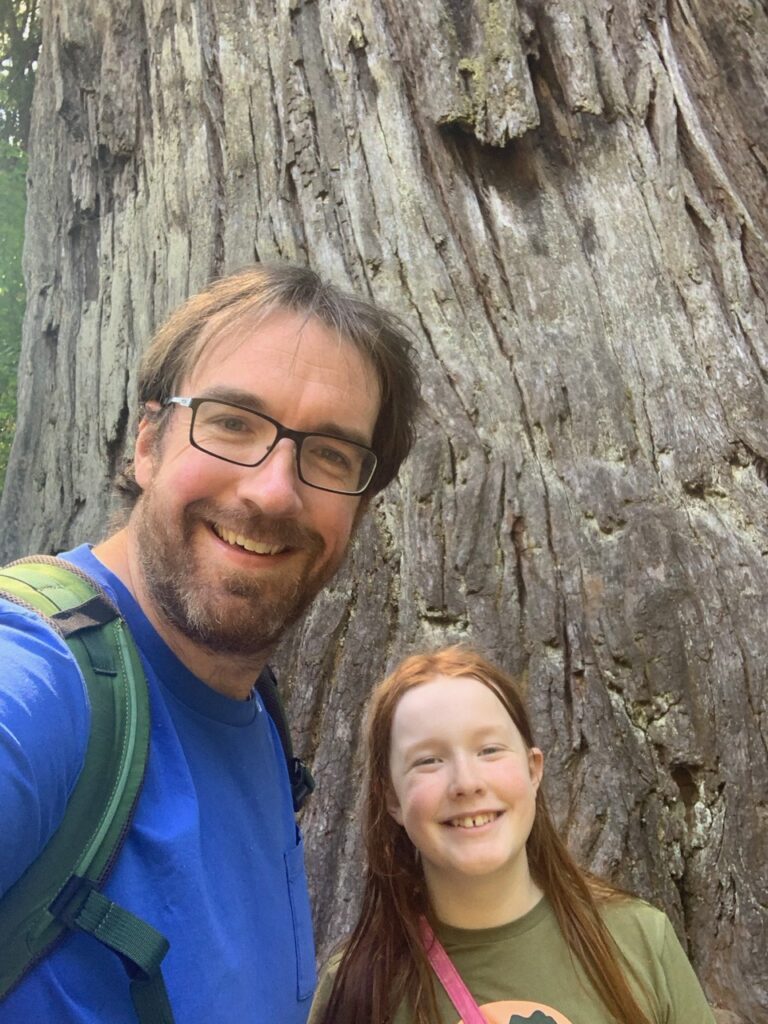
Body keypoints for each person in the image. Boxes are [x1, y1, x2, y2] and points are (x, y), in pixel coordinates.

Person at [0, 263, 420, 1022]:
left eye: (329, 453)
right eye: (231, 422)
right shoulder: (40, 682)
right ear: (149, 443)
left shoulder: (256, 714)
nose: (271, 490)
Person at [309, 646, 716, 1024]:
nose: (466, 783)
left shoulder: (641, 943)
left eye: (489, 750)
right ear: (392, 799)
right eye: (429, 760)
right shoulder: (359, 989)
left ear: (533, 769)